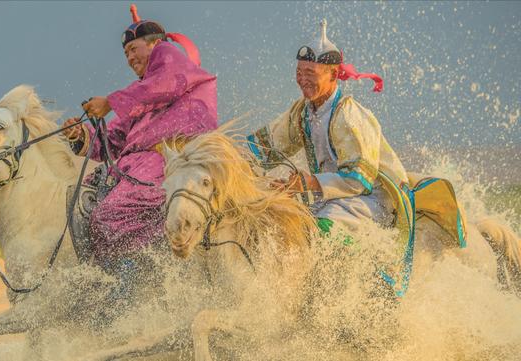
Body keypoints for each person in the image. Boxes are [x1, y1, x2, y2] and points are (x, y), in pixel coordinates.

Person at [247, 20, 466, 294]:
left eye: (311, 73)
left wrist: (307, 182)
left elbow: (358, 179)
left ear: (333, 75)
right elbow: (264, 148)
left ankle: (358, 291)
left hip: (372, 197)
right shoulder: (302, 111)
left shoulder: (348, 115)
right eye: (299, 71)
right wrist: (225, 163)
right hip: (334, 196)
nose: (303, 79)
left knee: (323, 228)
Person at [62, 4, 217, 276]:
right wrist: (81, 134)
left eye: (133, 49)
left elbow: (164, 82)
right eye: (125, 53)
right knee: (87, 208)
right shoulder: (140, 94)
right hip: (135, 167)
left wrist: (110, 101)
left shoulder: (169, 58)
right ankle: (111, 278)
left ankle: (138, 276)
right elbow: (111, 142)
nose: (129, 58)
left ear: (154, 45)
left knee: (109, 215)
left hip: (172, 162)